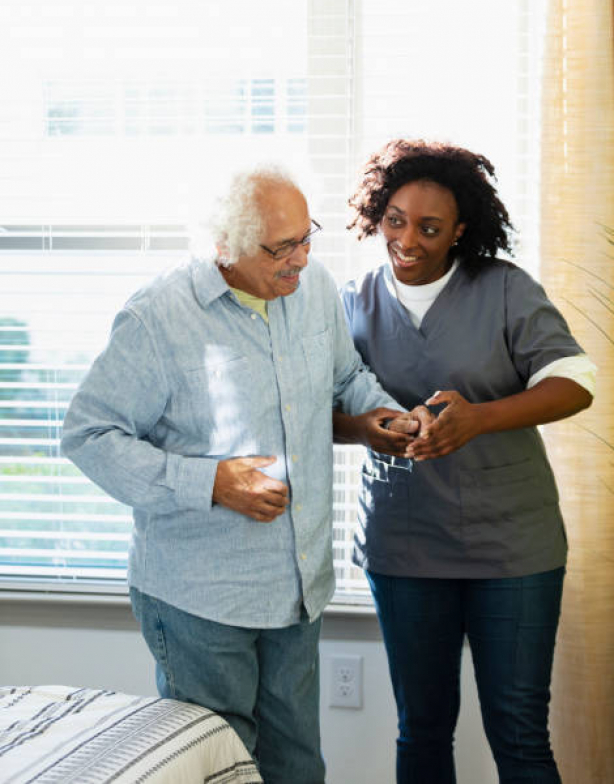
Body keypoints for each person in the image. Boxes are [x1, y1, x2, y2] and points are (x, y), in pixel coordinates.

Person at [61, 163, 425, 784]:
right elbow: (88, 436)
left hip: (296, 590)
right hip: (199, 601)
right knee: (216, 772)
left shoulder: (313, 293)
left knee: (297, 767)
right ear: (225, 245)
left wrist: (385, 416)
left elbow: (346, 381)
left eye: (305, 238)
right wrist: (211, 483)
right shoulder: (159, 318)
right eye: (281, 248)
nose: (300, 260)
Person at [333, 139, 596, 784]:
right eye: (395, 219)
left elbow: (576, 380)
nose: (409, 240)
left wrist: (480, 418)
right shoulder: (350, 301)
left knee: (518, 730)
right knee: (421, 730)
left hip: (513, 548)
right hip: (405, 544)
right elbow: (312, 411)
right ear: (377, 215)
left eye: (430, 227)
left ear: (461, 230)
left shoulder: (504, 289)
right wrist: (367, 429)